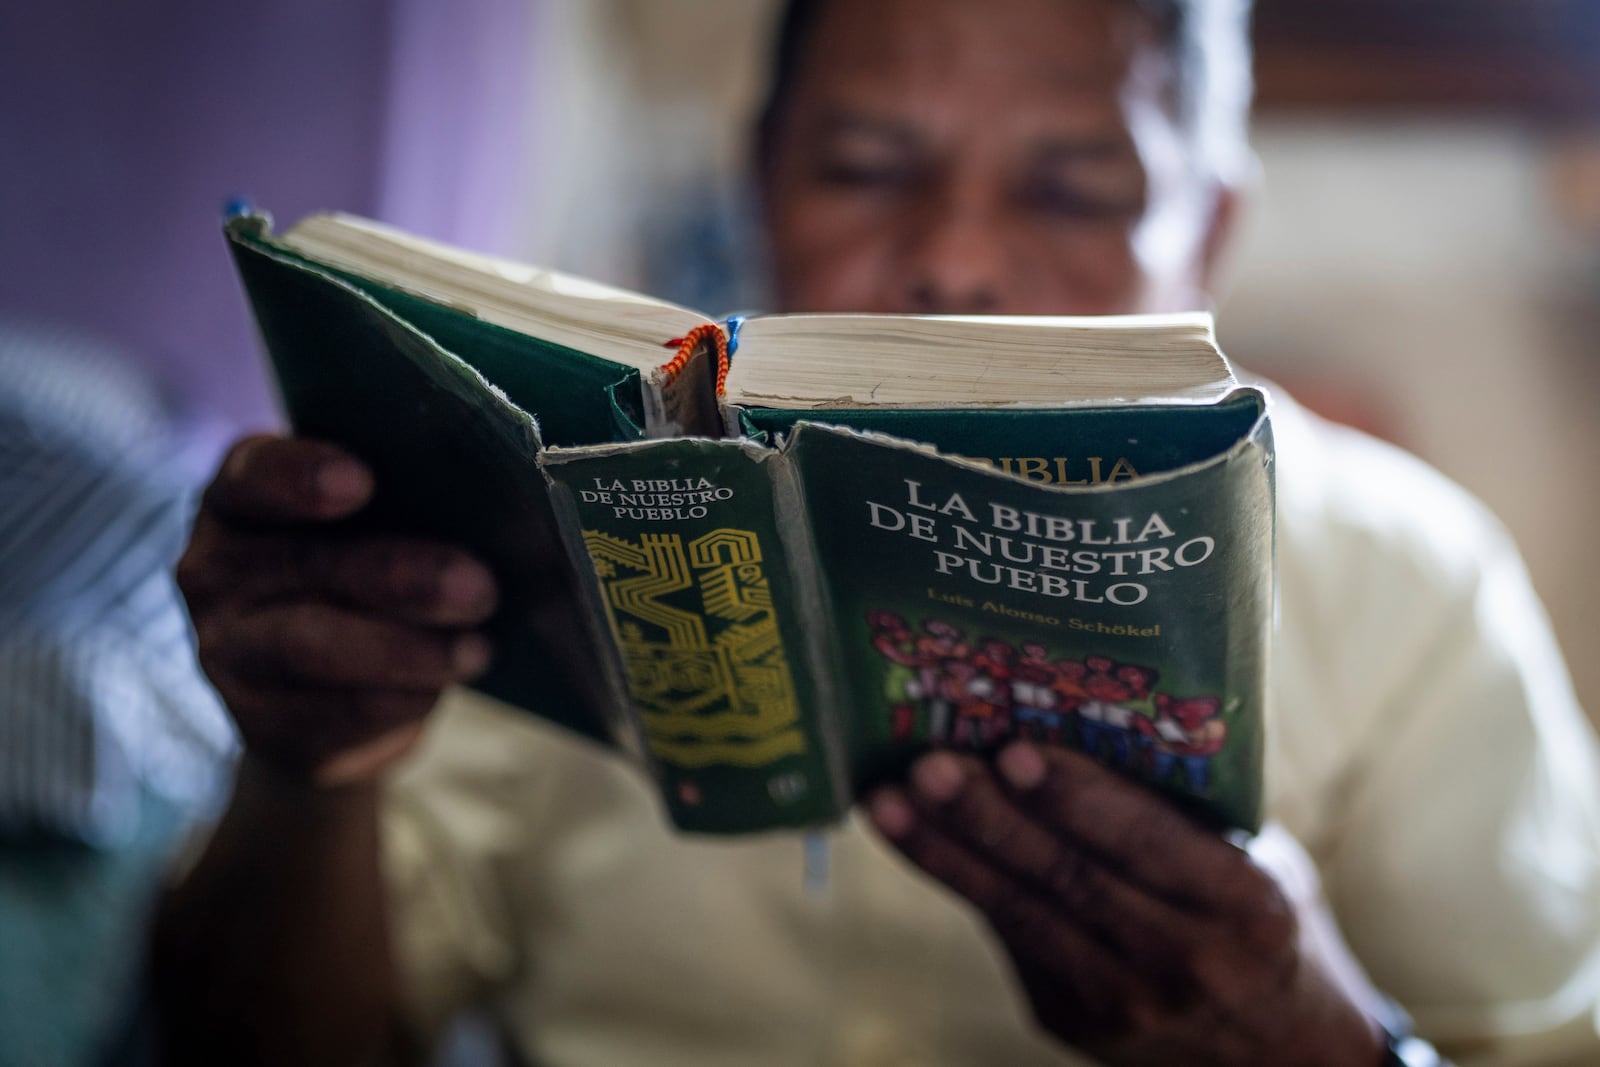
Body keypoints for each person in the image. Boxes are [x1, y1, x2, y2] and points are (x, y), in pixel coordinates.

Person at [151, 1, 1600, 1065]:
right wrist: (302, 776)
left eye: (1076, 186)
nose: (957, 255)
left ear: (1208, 228)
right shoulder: (569, 500)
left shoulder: (1414, 575)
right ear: (759, 178)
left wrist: (1312, 1042)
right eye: (864, 168)